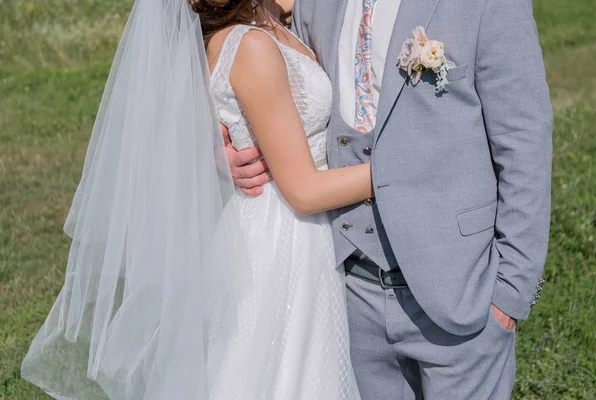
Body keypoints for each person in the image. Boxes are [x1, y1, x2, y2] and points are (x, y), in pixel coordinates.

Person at [21, 0, 367, 398]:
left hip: (272, 225)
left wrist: (215, 152)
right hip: (288, 238)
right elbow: (304, 192)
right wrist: (398, 174)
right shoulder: (251, 45)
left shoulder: (261, 19)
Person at [226, 0, 554, 398]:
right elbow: (234, 52)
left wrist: (511, 293)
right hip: (347, 296)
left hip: (463, 292)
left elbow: (525, 141)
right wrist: (222, 147)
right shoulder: (309, 3)